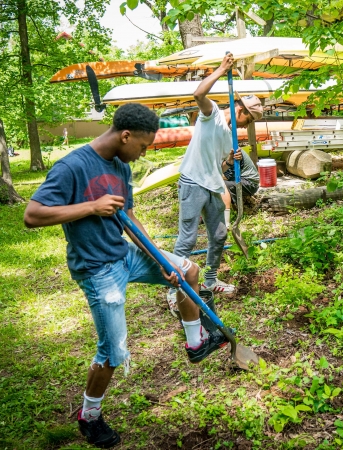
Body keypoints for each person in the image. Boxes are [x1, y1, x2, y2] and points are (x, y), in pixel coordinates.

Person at [23, 103, 228, 449]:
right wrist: (91, 206)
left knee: (187, 270)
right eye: (144, 146)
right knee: (113, 352)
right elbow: (32, 215)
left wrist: (158, 258)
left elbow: (129, 218)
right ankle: (89, 417)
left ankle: (195, 344)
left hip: (125, 255)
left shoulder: (120, 165)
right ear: (125, 135)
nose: (144, 153)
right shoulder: (73, 166)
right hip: (97, 269)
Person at [172, 52, 263, 297]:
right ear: (241, 111)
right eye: (249, 120)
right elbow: (198, 94)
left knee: (220, 235)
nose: (246, 126)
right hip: (192, 181)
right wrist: (222, 69)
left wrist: (229, 161)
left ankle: (210, 281)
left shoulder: (229, 136)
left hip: (212, 184)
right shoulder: (211, 114)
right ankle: (174, 291)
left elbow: (220, 166)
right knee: (187, 239)